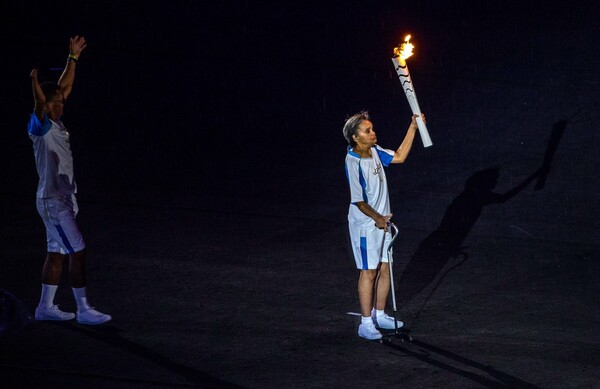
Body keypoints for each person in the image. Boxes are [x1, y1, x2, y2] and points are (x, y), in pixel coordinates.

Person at [28, 36, 111, 325]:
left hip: (61, 198)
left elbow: (65, 86)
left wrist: (72, 58)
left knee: (57, 252)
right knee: (78, 251)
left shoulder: (57, 119)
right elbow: (40, 102)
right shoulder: (39, 126)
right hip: (53, 201)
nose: (62, 104)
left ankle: (45, 307)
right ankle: (84, 309)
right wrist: (35, 83)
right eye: (57, 103)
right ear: (46, 105)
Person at [343, 111, 424, 340]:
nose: (373, 132)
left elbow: (398, 156)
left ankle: (379, 315)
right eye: (367, 131)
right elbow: (358, 200)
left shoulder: (376, 152)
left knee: (385, 268)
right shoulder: (353, 162)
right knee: (368, 272)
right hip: (366, 225)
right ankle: (365, 323)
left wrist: (413, 128)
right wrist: (377, 218)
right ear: (355, 137)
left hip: (383, 221)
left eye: (372, 128)